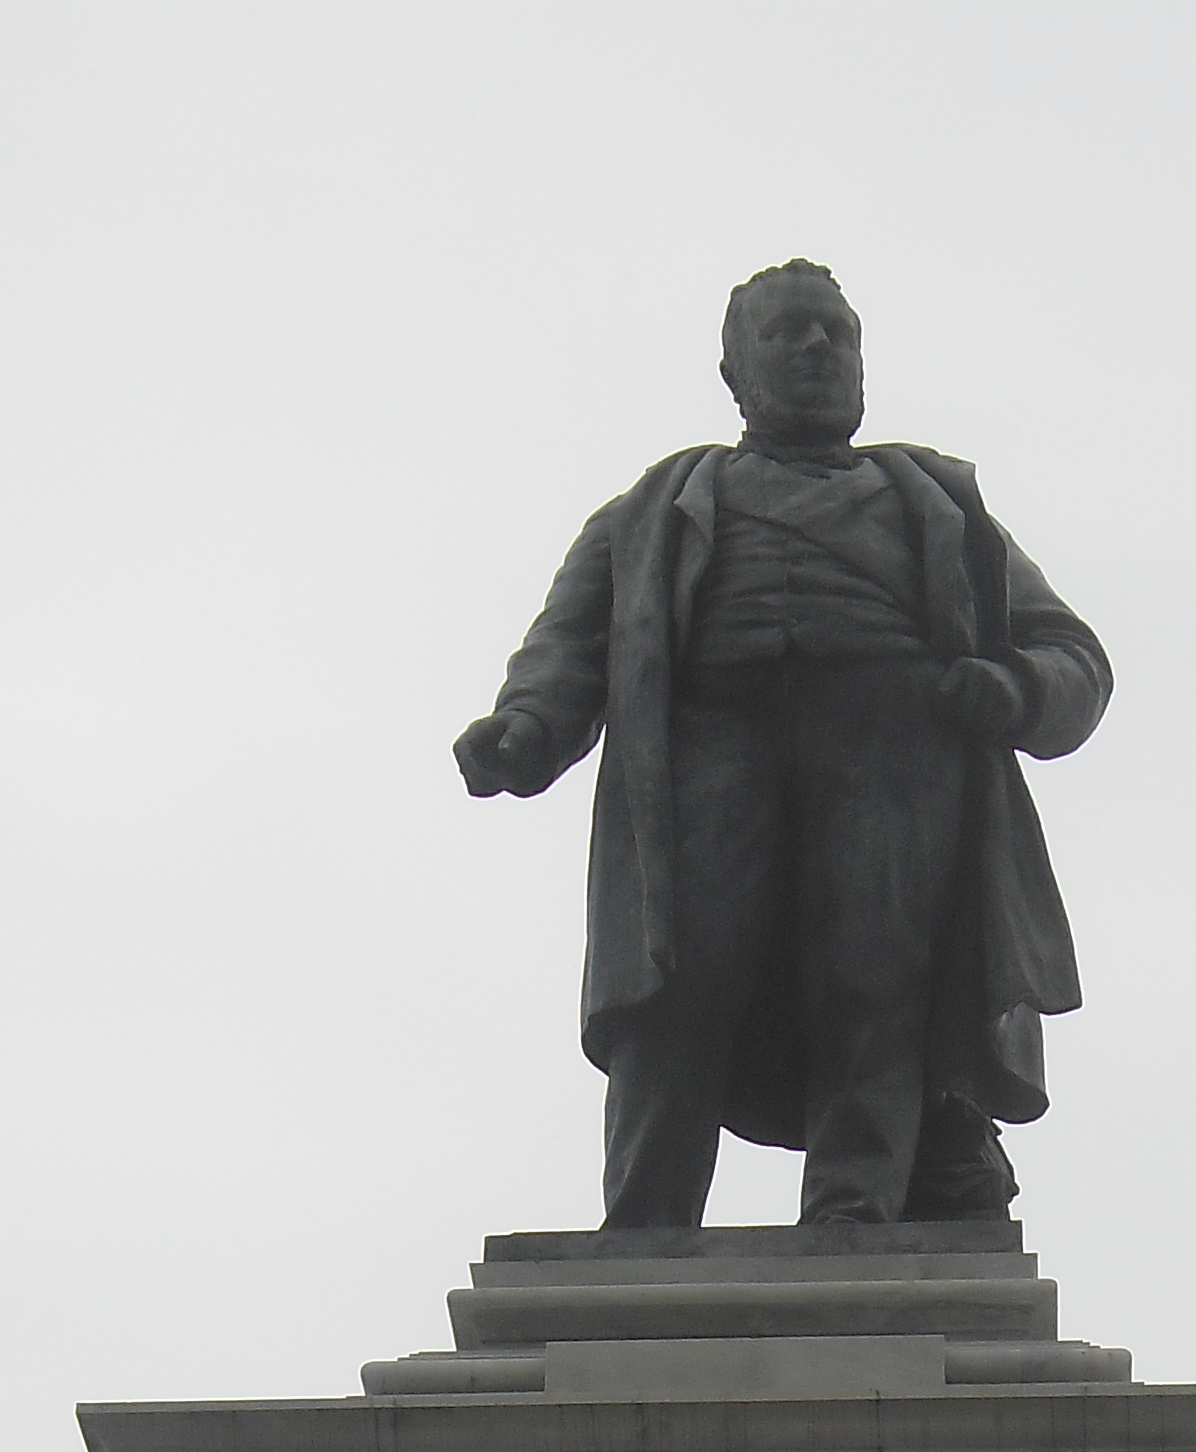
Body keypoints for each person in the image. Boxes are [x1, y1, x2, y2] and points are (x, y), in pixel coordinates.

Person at [455, 261, 1110, 1231]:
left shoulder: (935, 502)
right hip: (706, 769)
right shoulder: (655, 509)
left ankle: (855, 1217)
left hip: (893, 768)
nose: (815, 350)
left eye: (833, 334)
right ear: (734, 372)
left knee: (877, 988)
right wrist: (525, 729)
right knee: (673, 999)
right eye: (787, 333)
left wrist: (1013, 688)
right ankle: (645, 1222)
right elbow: (569, 647)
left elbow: (1073, 656)